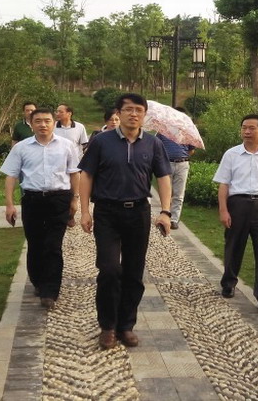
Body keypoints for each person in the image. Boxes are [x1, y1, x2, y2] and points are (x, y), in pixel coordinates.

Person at [79, 93, 172, 350]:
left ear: (144, 115)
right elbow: (86, 175)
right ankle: (108, 326)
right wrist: (85, 211)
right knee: (109, 270)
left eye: (138, 110)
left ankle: (126, 326)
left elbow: (163, 177)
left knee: (134, 272)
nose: (134, 114)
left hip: (138, 212)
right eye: (128, 109)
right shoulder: (101, 141)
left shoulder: (153, 144)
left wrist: (165, 211)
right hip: (107, 212)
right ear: (118, 113)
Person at [0, 108, 81, 310]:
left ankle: (50, 291)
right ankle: (38, 280)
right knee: (35, 243)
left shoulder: (67, 145)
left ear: (54, 123)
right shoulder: (21, 147)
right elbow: (11, 176)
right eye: (38, 121)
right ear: (31, 124)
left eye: (47, 121)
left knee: (53, 245)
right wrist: (9, 204)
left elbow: (74, 173)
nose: (43, 125)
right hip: (32, 199)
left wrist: (75, 199)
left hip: (59, 199)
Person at [212, 114, 258, 316]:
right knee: (234, 246)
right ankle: (228, 284)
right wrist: (223, 210)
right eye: (244, 127)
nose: (247, 131)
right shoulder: (231, 154)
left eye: (251, 128)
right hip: (238, 205)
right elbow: (224, 184)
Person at [156, 107, 195, 230]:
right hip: (166, 163)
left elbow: (191, 150)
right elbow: (156, 147)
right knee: (166, 191)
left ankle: (174, 219)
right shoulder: (163, 131)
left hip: (182, 164)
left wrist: (181, 157)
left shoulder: (188, 132)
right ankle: (165, 214)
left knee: (179, 193)